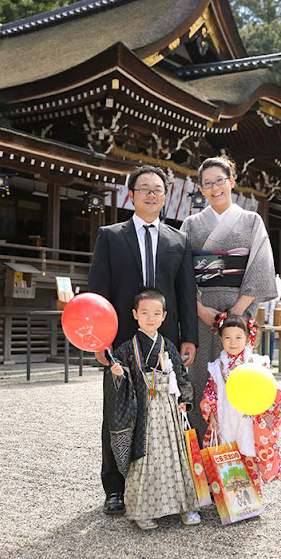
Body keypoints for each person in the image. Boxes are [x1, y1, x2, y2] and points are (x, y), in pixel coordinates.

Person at [88, 165, 198, 514]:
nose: (152, 194)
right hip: (120, 337)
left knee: (164, 410)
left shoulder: (178, 240)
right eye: (144, 188)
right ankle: (114, 487)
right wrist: (98, 341)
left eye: (158, 189)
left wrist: (189, 338)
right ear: (131, 195)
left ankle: (162, 482)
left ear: (165, 197)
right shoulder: (111, 235)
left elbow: (185, 294)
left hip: (164, 337)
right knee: (118, 409)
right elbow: (98, 291)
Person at [181, 156, 277, 438]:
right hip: (201, 310)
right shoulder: (191, 224)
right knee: (200, 378)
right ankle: (201, 459)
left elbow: (261, 265)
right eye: (207, 183)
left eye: (220, 181)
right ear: (200, 189)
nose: (214, 188)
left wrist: (237, 310)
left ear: (232, 182)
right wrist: (198, 308)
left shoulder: (251, 221)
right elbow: (182, 271)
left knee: (236, 379)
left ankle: (236, 458)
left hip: (239, 311)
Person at [109, 288, 200, 530]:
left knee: (174, 457)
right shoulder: (128, 348)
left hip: (168, 408)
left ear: (164, 316)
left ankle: (183, 505)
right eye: (145, 312)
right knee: (145, 459)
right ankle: (143, 510)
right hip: (143, 411)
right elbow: (119, 373)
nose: (151, 317)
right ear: (135, 314)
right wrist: (119, 373)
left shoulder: (167, 345)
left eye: (156, 313)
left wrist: (185, 398)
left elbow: (181, 375)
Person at [200, 314, 281, 495]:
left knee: (249, 455)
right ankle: (230, 498)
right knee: (227, 456)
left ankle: (253, 496)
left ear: (248, 338)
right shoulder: (216, 367)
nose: (233, 342)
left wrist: (263, 404)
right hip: (225, 418)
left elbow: (271, 391)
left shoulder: (257, 363)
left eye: (238, 337)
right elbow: (211, 391)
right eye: (228, 337)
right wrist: (212, 414)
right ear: (221, 339)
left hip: (250, 420)